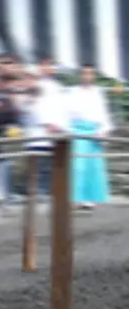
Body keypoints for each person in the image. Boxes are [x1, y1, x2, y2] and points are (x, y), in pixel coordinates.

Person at [64, 63, 111, 208]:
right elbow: (66, 112)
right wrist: (68, 130)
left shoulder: (97, 92)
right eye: (85, 73)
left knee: (93, 166)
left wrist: (103, 129)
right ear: (80, 75)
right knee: (78, 166)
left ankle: (89, 198)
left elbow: (103, 113)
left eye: (90, 73)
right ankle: (75, 197)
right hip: (77, 131)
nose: (87, 76)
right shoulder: (72, 92)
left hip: (94, 131)